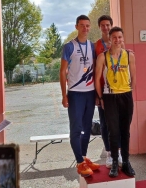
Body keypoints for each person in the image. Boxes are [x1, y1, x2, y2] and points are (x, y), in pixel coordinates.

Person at [59, 15, 100, 177]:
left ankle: (83, 158)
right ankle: (79, 162)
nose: (85, 28)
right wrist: (64, 94)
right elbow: (62, 72)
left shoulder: (92, 46)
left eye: (88, 26)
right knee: (76, 129)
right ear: (76, 27)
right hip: (75, 94)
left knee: (86, 128)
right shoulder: (69, 46)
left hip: (89, 93)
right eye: (82, 25)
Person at [95, 26, 136, 177]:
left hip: (126, 96)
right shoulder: (103, 57)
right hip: (110, 96)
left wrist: (130, 92)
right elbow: (97, 79)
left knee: (125, 131)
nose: (117, 40)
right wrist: (100, 98)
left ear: (122, 39)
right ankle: (114, 163)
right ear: (110, 40)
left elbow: (134, 76)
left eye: (120, 37)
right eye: (114, 38)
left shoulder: (129, 56)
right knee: (113, 132)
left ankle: (125, 162)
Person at [94, 15, 122, 168]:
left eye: (108, 25)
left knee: (117, 123)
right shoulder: (96, 46)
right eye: (103, 25)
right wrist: (97, 95)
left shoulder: (118, 44)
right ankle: (109, 154)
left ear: (111, 26)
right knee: (105, 124)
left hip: (117, 91)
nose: (106, 28)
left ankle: (118, 152)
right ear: (100, 27)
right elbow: (94, 71)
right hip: (102, 91)